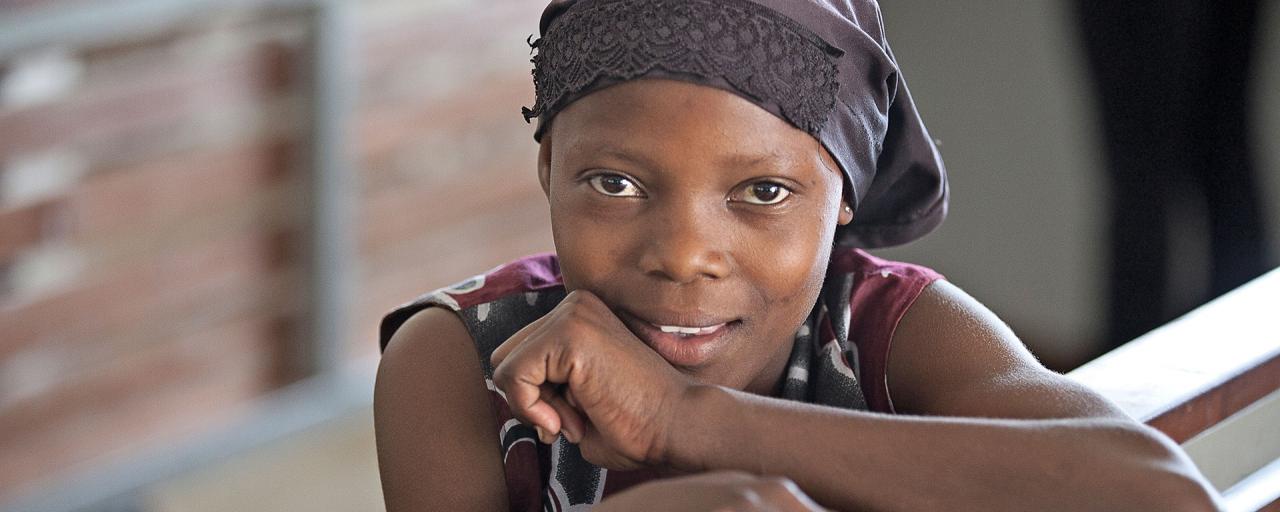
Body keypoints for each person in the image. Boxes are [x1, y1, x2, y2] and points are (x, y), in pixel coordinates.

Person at [374, 0, 1222, 510]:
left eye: (764, 194)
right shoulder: (461, 360)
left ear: (845, 196)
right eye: (615, 184)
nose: (683, 256)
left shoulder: (882, 330)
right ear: (549, 167)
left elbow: (1163, 497)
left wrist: (689, 420)